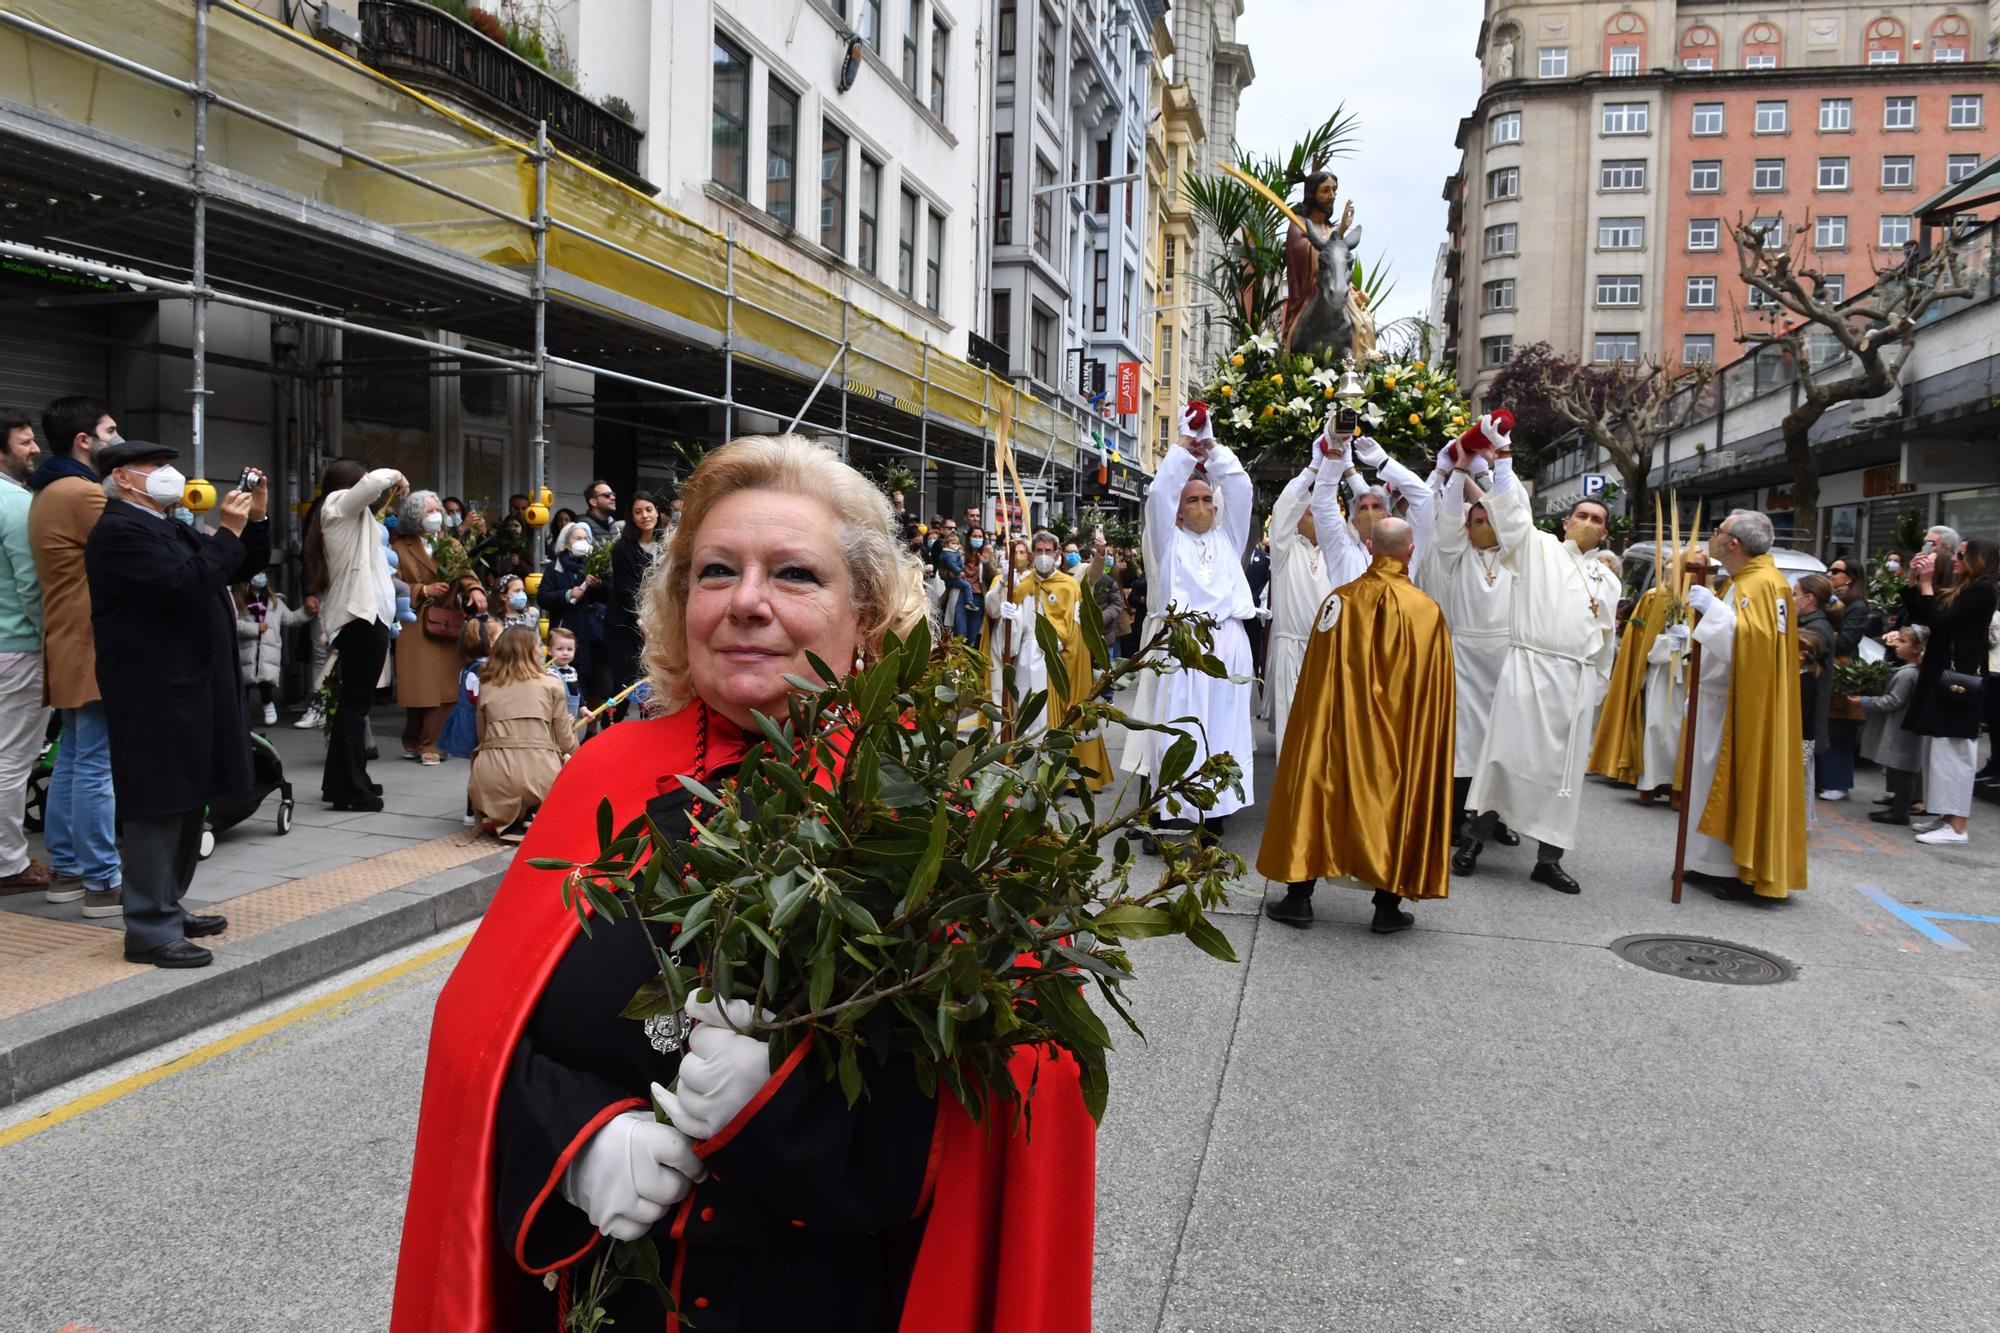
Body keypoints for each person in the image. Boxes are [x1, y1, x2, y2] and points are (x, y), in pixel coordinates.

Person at [391, 434, 1093, 1332]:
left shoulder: (948, 805)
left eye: (794, 575)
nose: (747, 602)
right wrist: (576, 1147)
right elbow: (486, 1042)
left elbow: (1003, 1113)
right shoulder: (607, 772)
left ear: (868, 614)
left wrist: (785, 1103)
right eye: (717, 571)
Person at [86, 440, 270, 967]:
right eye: (155, 467)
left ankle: (168, 903)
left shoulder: (166, 523)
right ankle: (147, 926)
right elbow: (184, 584)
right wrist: (228, 532)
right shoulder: (118, 531)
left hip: (191, 683)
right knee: (157, 799)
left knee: (190, 797)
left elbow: (231, 568)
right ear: (123, 478)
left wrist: (253, 522)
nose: (170, 474)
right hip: (153, 687)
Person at [1260, 500, 1455, 933]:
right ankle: (1386, 906)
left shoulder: (1339, 601)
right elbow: (1434, 693)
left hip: (1339, 727)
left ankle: (1300, 897)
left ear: (1371, 549)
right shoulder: (1427, 612)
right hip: (1401, 734)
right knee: (1397, 798)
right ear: (1409, 550)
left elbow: (1317, 679)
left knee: (1319, 789)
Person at [1457, 421, 1620, 893]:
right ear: (1566, 522)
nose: (1589, 523)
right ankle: (1473, 842)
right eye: (1582, 516)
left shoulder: (1608, 580)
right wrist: (1503, 457)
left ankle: (1548, 860)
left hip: (1574, 681)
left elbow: (1607, 639)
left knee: (1561, 776)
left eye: (1598, 519)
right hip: (1528, 670)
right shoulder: (1539, 548)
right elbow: (1510, 512)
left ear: (1605, 532)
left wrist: (1597, 686)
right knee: (1503, 759)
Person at [1134, 402, 1256, 839]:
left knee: (1222, 731)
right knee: (1178, 729)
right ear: (1179, 511)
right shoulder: (1167, 542)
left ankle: (1214, 814)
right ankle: (1167, 817)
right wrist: (1185, 449)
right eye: (1192, 500)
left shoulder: (1229, 537)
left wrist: (1214, 449)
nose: (1202, 505)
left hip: (1228, 648)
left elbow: (1239, 489)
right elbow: (1158, 495)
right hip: (1183, 649)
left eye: (1207, 498)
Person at [1679, 510, 1808, 898]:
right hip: (1719, 696)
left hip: (1740, 702)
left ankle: (1741, 870)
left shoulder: (1762, 584)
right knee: (1707, 783)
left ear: (1732, 543)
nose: (1713, 538)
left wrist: (1713, 611)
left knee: (1731, 778)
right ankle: (1710, 863)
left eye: (1718, 532)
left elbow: (1756, 646)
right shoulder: (1745, 580)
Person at [27, 395, 122, 917]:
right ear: (83, 440)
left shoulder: (48, 489)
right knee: (93, 765)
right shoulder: (83, 494)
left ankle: (66, 870)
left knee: (73, 760)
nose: (119, 440)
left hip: (66, 639)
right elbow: (142, 539)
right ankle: (102, 880)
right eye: (111, 431)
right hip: (91, 642)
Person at [1418, 462, 1519, 842]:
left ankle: (1498, 820)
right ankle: (1457, 818)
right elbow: (1445, 523)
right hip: (1464, 658)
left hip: (1508, 658)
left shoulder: (1516, 556)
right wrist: (1458, 471)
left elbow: (1515, 512)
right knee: (1464, 743)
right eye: (1475, 521)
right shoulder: (1454, 556)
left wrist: (1487, 474)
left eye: (1489, 520)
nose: (1483, 527)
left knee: (1504, 743)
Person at [303, 459, 404, 811]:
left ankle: (344, 782)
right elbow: (375, 482)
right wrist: (394, 474)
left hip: (365, 617)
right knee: (355, 707)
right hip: (360, 617)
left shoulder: (349, 516)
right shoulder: (336, 506)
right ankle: (351, 789)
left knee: (354, 706)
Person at [981, 530, 1112, 791]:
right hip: (1026, 657)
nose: (1043, 556)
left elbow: (1075, 624)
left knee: (1053, 715)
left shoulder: (1069, 584)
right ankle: (1029, 770)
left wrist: (1059, 644)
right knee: (1028, 713)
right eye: (1038, 551)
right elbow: (997, 609)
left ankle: (1059, 772)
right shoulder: (1021, 583)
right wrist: (1007, 613)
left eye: (1047, 551)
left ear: (1057, 554)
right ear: (1032, 555)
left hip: (1057, 658)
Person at [1900, 536, 1997, 846]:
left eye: (1962, 554)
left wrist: (1927, 586)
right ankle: (1945, 816)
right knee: (1939, 750)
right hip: (1946, 675)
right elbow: (1926, 617)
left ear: (1979, 559)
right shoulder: (1966, 588)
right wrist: (1916, 583)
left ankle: (1957, 826)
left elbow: (1941, 622)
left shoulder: (1982, 590)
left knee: (1954, 752)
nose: (1954, 558)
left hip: (1960, 679)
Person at [393, 489, 485, 765]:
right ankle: (414, 738)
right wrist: (422, 589)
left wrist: (476, 590)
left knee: (444, 689)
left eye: (437, 511)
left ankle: (432, 744)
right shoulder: (399, 548)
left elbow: (466, 573)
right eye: (428, 512)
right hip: (415, 621)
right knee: (419, 688)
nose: (435, 516)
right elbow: (392, 585)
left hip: (447, 619)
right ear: (414, 517)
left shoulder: (452, 544)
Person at [466, 624, 576, 842]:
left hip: (491, 777)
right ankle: (532, 809)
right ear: (530, 651)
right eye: (539, 645)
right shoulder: (552, 684)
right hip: (542, 776)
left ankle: (505, 812)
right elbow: (565, 740)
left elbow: (482, 736)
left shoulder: (487, 685)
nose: (542, 650)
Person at [0, 409, 47, 898]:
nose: (35, 449)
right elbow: (31, 583)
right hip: (16, 647)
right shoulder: (16, 504)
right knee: (12, 761)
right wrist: (49, 638)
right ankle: (8, 864)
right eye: (25, 441)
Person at [1263, 450, 1336, 767]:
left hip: (1328, 650)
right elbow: (1282, 513)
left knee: (1327, 731)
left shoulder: (1337, 550)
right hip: (1293, 649)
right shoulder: (1285, 550)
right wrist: (1312, 469)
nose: (1315, 518)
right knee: (1294, 729)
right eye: (1308, 513)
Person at [1822, 557, 1885, 799]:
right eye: (1829, 569)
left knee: (1839, 726)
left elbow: (1847, 640)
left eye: (1836, 571)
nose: (1830, 574)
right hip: (1827, 667)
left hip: (1841, 670)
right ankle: (1826, 780)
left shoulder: (1856, 606)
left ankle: (1838, 783)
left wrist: (1826, 637)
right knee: (1825, 724)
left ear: (1850, 577)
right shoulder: (1829, 600)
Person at [1852, 627, 1926, 824]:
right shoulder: (1909, 671)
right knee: (1899, 767)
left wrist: (1865, 701)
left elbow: (1893, 700)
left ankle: (1899, 811)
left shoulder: (1908, 674)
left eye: (1902, 642)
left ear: (1917, 648)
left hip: (1901, 726)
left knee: (1902, 768)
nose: (1896, 645)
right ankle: (1898, 805)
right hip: (1903, 725)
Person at [540, 520, 612, 716]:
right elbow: (543, 597)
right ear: (567, 542)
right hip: (567, 633)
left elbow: (612, 593)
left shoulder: (596, 564)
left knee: (595, 683)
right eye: (578, 538)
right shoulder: (555, 567)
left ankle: (591, 730)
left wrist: (598, 585)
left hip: (593, 635)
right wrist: (566, 594)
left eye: (586, 538)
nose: (583, 542)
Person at [606, 491, 665, 714]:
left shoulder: (668, 544)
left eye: (649, 510)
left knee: (654, 687)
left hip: (659, 621)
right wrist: (641, 622)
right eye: (638, 512)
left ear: (658, 512)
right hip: (626, 624)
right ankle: (608, 729)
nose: (645, 516)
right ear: (631, 517)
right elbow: (625, 590)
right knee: (624, 684)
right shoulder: (623, 548)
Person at [234, 570, 309, 727]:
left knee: (266, 681)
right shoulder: (239, 601)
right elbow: (234, 624)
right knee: (244, 682)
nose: (259, 576)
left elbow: (290, 618)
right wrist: (255, 628)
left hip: (268, 651)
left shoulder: (275, 602)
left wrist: (307, 612)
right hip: (246, 651)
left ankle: (268, 704)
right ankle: (241, 713)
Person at [1794, 573, 1837, 801]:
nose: (1792, 599)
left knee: (1800, 772)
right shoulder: (1810, 624)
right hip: (1805, 710)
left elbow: (1803, 671)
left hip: (1806, 711)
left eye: (1795, 594)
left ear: (1809, 598)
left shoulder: (1817, 629)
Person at [547, 626, 582, 717]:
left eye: (569, 649)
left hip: (571, 717)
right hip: (556, 717)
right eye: (560, 649)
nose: (565, 653)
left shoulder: (572, 671)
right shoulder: (549, 673)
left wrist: (583, 708)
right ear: (549, 651)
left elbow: (577, 692)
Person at [580, 479, 620, 544]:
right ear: (593, 502)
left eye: (613, 494)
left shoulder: (618, 526)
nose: (613, 498)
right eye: (607, 495)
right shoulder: (583, 527)